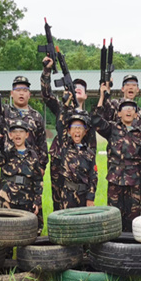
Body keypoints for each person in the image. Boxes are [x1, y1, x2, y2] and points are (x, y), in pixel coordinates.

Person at [40, 56, 96, 210]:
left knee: (81, 204)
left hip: (81, 166)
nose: (77, 88)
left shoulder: (88, 119)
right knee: (59, 204)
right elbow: (46, 95)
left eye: (81, 88)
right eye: (75, 86)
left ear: (86, 95)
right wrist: (47, 71)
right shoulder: (62, 108)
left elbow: (92, 147)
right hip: (59, 163)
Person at [92, 80, 141, 231]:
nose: (128, 111)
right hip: (115, 181)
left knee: (133, 217)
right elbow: (96, 120)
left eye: (131, 109)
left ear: (136, 114)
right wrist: (102, 96)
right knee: (114, 217)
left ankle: (132, 244)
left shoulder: (139, 135)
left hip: (134, 182)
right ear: (119, 113)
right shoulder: (112, 128)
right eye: (124, 108)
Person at [0, 66, 48, 176]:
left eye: (25, 90)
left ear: (29, 94)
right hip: (9, 169)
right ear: (12, 93)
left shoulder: (36, 117)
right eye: (18, 90)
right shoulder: (4, 112)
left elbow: (42, 143)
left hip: (30, 170)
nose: (21, 93)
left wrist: (41, 166)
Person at [0, 120, 45, 232]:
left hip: (27, 199)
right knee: (6, 230)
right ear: (10, 135)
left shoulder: (33, 155)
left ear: (27, 135)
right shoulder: (7, 154)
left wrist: (37, 201)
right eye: (15, 132)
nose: (18, 134)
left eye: (21, 131)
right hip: (8, 199)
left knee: (27, 230)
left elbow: (38, 180)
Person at [57, 108, 97, 209]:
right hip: (68, 195)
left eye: (80, 127)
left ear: (85, 131)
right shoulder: (65, 146)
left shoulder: (90, 153)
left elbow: (93, 176)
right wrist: (67, 105)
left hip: (83, 195)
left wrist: (90, 197)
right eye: (74, 127)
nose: (77, 130)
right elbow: (60, 125)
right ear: (69, 131)